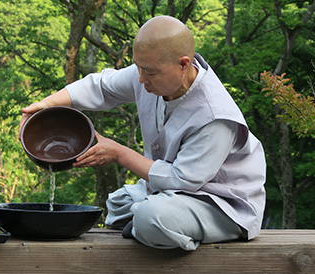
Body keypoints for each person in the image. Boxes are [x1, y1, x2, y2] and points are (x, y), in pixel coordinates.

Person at [20, 16, 266, 250]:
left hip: (220, 203)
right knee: (117, 204)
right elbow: (102, 87)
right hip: (173, 194)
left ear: (183, 64)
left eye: (149, 72)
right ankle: (148, 226)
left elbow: (183, 180)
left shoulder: (215, 116)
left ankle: (177, 244)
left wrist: (119, 153)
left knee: (150, 218)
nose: (140, 78)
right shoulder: (150, 74)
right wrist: (47, 104)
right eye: (138, 67)